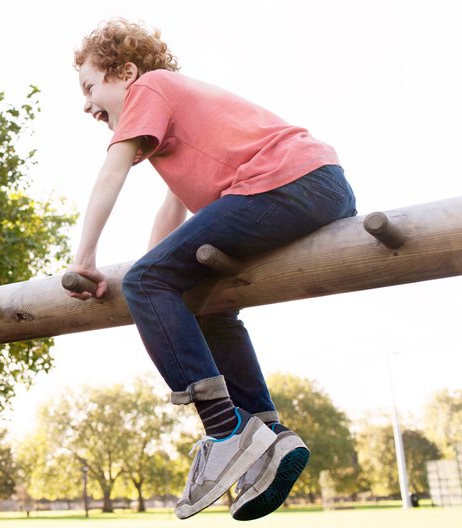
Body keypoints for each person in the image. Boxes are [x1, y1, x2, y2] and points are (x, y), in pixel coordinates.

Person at [67, 19, 357, 521]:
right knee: (205, 306)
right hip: (312, 184)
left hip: (286, 183)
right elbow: (169, 225)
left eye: (90, 86)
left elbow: (110, 173)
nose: (86, 104)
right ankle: (269, 436)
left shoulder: (150, 88)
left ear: (127, 72)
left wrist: (86, 260)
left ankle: (223, 430)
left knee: (148, 280)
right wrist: (153, 285)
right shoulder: (179, 125)